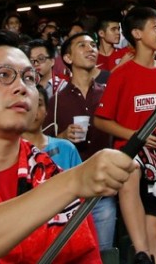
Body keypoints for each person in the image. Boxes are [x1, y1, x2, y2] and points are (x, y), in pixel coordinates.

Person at [0, 30, 135, 264]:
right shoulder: (66, 184)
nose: (21, 87)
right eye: (3, 75)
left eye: (29, 78)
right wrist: (71, 183)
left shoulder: (50, 173)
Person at [94, 7, 156, 264]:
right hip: (134, 160)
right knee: (142, 241)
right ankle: (142, 254)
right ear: (136, 33)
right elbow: (100, 120)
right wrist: (136, 135)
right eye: (155, 27)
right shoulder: (121, 74)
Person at [44, 32, 118, 249]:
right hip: (70, 194)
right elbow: (42, 143)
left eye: (93, 45)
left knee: (102, 252)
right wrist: (62, 136)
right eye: (82, 45)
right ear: (67, 58)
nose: (90, 49)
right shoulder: (55, 101)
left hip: (104, 189)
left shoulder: (108, 93)